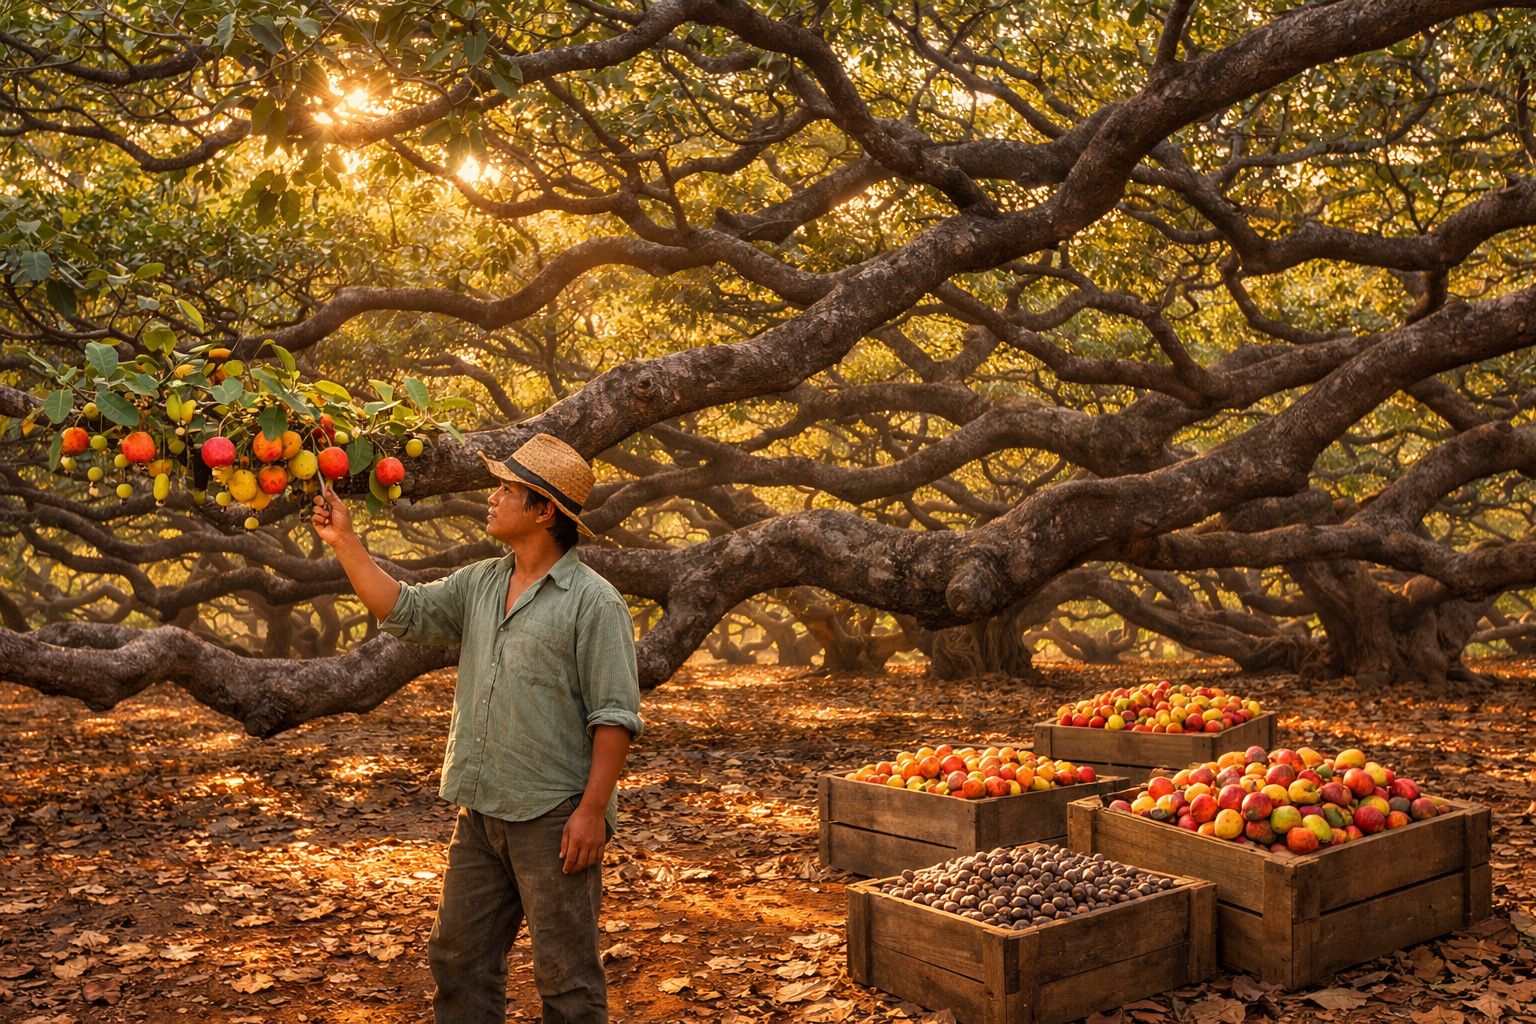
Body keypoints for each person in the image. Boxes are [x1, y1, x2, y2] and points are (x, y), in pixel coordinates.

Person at [310, 432, 642, 1024]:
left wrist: (592, 812)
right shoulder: (483, 581)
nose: (492, 498)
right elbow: (403, 609)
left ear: (543, 511)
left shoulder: (595, 603)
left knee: (565, 978)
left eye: (506, 490)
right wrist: (345, 541)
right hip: (480, 809)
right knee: (459, 961)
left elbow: (614, 717)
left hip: (553, 817)